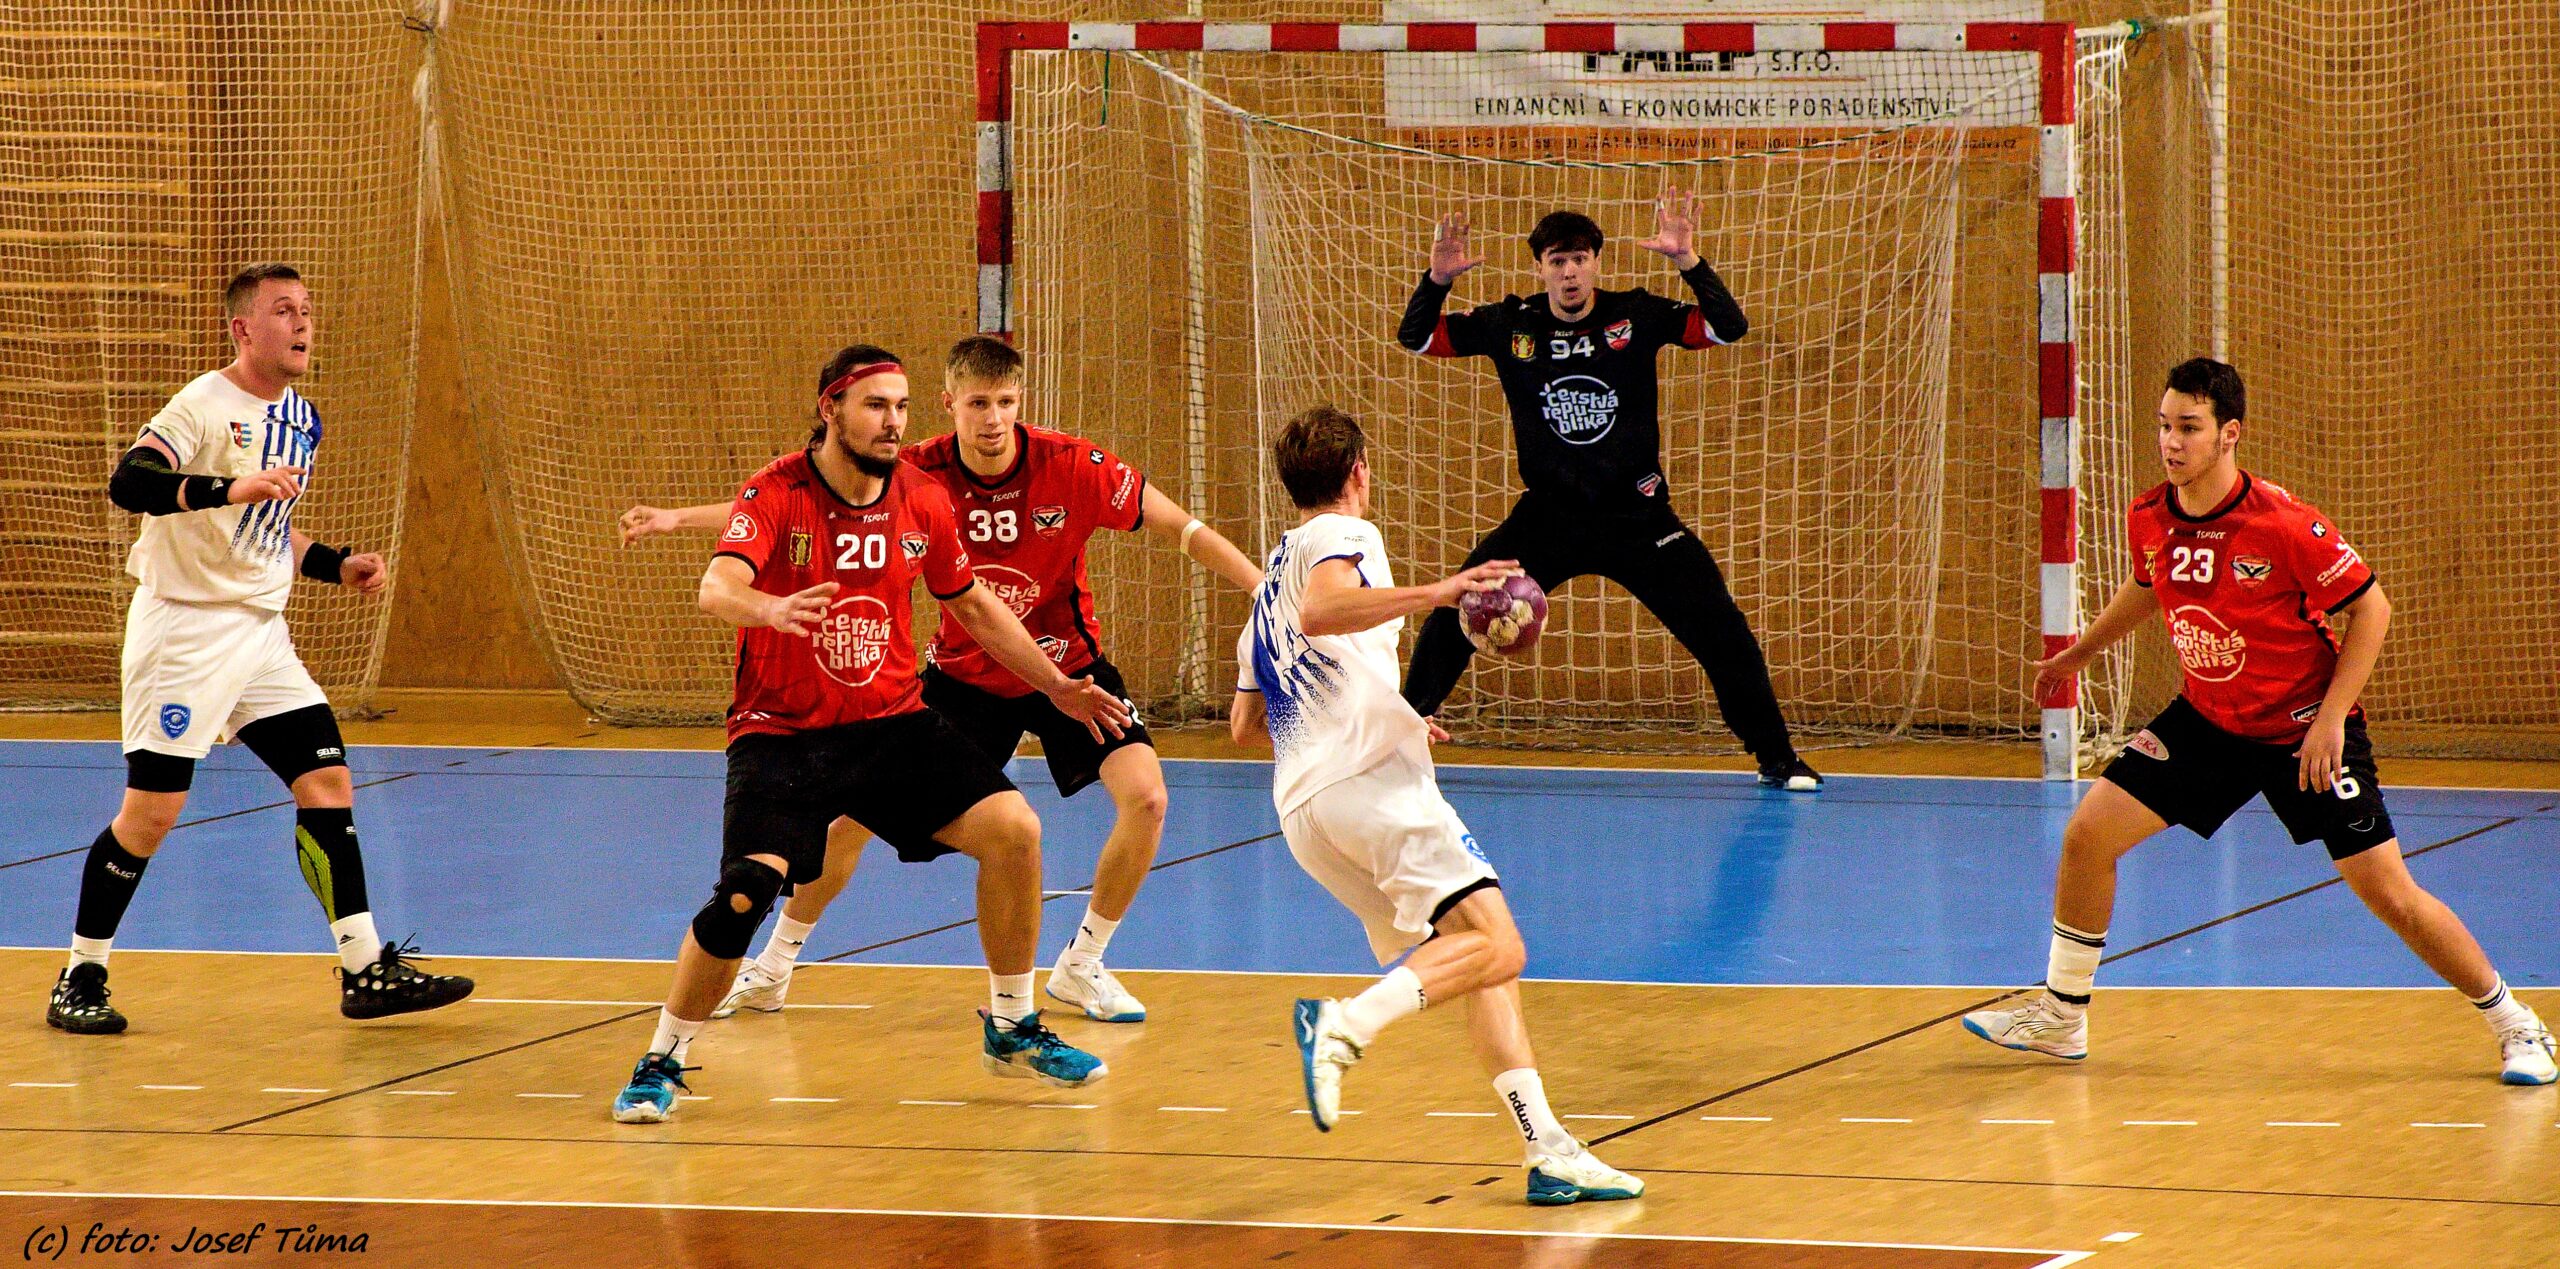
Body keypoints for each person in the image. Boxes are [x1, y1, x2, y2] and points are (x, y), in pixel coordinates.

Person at [618, 336, 1260, 1024]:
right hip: (964, 674)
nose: (993, 418)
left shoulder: (1072, 465)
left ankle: (1082, 964)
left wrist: (1260, 586)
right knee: (850, 824)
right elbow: (784, 504)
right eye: (978, 403)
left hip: (1064, 666)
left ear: (1021, 402)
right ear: (950, 404)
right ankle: (774, 965)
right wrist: (681, 519)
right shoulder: (915, 469)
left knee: (1148, 797)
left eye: (1005, 402)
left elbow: (1182, 527)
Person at [1963, 358, 2556, 1085]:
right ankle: (2062, 1016)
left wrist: (2330, 720)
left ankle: (2515, 1022)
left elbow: (2372, 608)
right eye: (2164, 426)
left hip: (2302, 731)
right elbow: (2150, 584)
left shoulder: (2282, 523)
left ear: (2229, 434)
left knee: (2388, 892)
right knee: (2088, 835)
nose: (2171, 442)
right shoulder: (2150, 513)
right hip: (2208, 722)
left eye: (2189, 427)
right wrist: (2080, 652)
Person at [1231, 405, 1645, 1205]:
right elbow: (1324, 609)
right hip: (1367, 787)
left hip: (1306, 812)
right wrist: (1442, 591)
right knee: (1501, 945)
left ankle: (1546, 1148)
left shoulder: (1266, 589)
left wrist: (1384, 709)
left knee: (1478, 958)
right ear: (1359, 471)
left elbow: (1247, 724)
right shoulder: (1340, 535)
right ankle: (1344, 1024)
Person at [49, 262, 473, 1036]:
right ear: (244, 328)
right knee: (151, 814)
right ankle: (81, 971)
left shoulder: (302, 417)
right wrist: (227, 487)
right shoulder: (202, 404)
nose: (303, 322)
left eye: (307, 308)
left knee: (327, 780)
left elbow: (267, 529)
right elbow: (130, 482)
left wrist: (335, 564)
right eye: (284, 310)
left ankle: (364, 967)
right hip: (184, 633)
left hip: (260, 634)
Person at [1395, 194, 1818, 791]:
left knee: (1721, 628)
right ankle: (1394, 743)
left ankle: (1777, 757)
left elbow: (1729, 327)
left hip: (1638, 519)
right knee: (1455, 612)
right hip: (1547, 519)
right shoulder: (1512, 324)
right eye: (1557, 261)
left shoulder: (1634, 315)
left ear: (1596, 262)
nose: (1569, 272)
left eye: (1579, 259)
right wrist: (1437, 280)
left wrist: (1689, 261)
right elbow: (1415, 338)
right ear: (1540, 267)